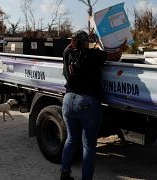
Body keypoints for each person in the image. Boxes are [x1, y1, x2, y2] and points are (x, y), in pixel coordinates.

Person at [60, 30, 127, 180]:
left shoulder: (67, 54)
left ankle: (64, 174)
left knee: (71, 139)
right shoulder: (93, 55)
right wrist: (122, 47)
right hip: (87, 103)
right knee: (89, 146)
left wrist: (76, 40)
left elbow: (68, 47)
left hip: (68, 100)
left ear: (73, 41)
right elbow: (116, 56)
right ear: (86, 43)